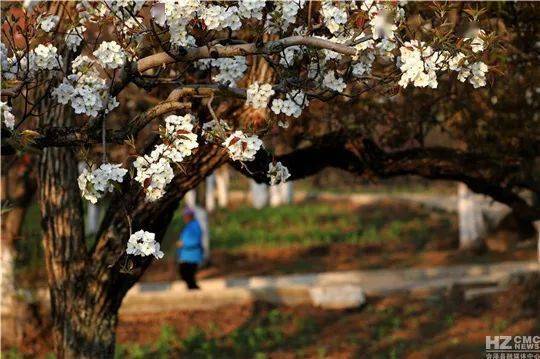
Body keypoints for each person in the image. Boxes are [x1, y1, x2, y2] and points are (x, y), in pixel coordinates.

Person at [177, 207, 204, 290]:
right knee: (185, 274)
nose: (185, 218)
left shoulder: (195, 226)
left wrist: (183, 244)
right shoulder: (188, 226)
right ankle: (193, 288)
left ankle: (194, 288)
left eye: (186, 216)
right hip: (185, 255)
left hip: (192, 256)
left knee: (187, 274)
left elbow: (195, 240)